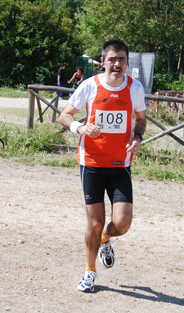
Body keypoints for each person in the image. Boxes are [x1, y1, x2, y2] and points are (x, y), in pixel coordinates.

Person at [59, 40, 146, 293]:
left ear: (126, 63)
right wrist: (80, 127)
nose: (117, 64)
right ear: (103, 62)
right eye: (112, 59)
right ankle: (89, 271)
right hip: (92, 163)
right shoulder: (90, 86)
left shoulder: (135, 88)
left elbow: (140, 120)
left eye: (121, 59)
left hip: (120, 164)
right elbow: (65, 115)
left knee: (122, 224)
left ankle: (106, 240)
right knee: (95, 223)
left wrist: (137, 137)